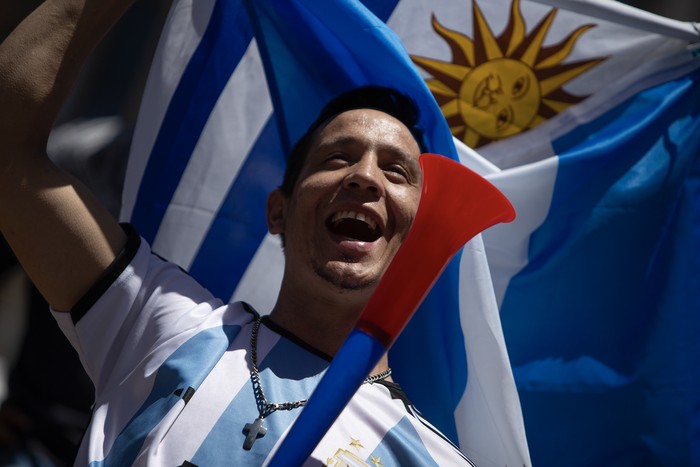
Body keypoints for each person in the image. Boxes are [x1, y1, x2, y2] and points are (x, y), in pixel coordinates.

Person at [0, 0, 474, 465]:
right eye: (337, 157)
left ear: (419, 243)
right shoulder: (161, 323)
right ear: (277, 211)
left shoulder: (430, 459)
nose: (364, 177)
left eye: (395, 172)